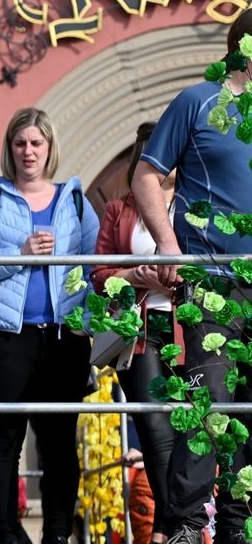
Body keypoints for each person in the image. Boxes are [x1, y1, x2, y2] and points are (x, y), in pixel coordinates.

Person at [131, 12, 252, 544]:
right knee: (213, 403)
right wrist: (169, 244)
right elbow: (146, 175)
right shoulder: (198, 100)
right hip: (214, 279)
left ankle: (236, 526)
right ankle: (182, 524)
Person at [0, 107, 98, 544]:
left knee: (59, 444)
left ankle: (56, 535)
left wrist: (91, 320)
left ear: (49, 148)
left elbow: (99, 267)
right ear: (10, 149)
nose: (28, 151)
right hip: (4, 340)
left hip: (63, 339)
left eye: (36, 143)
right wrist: (19, 252)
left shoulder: (74, 200)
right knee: (3, 441)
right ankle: (9, 534)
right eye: (20, 143)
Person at [90, 121, 181, 544]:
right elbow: (100, 274)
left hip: (190, 327)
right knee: (156, 431)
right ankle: (173, 523)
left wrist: (179, 280)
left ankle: (176, 524)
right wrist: (136, 274)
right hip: (140, 330)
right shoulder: (119, 209)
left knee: (190, 428)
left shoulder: (196, 203)